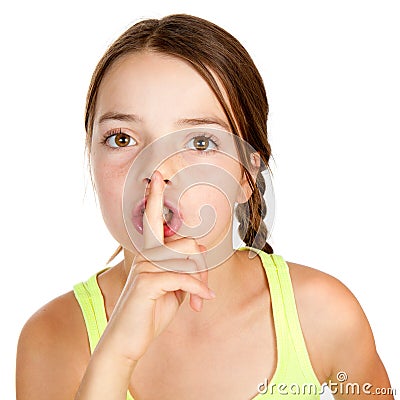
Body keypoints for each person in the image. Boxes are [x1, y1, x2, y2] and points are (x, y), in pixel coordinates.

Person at [16, 14, 393, 400]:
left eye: (199, 143)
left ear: (247, 176)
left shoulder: (325, 314)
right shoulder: (52, 337)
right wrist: (115, 356)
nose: (156, 169)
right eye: (122, 138)